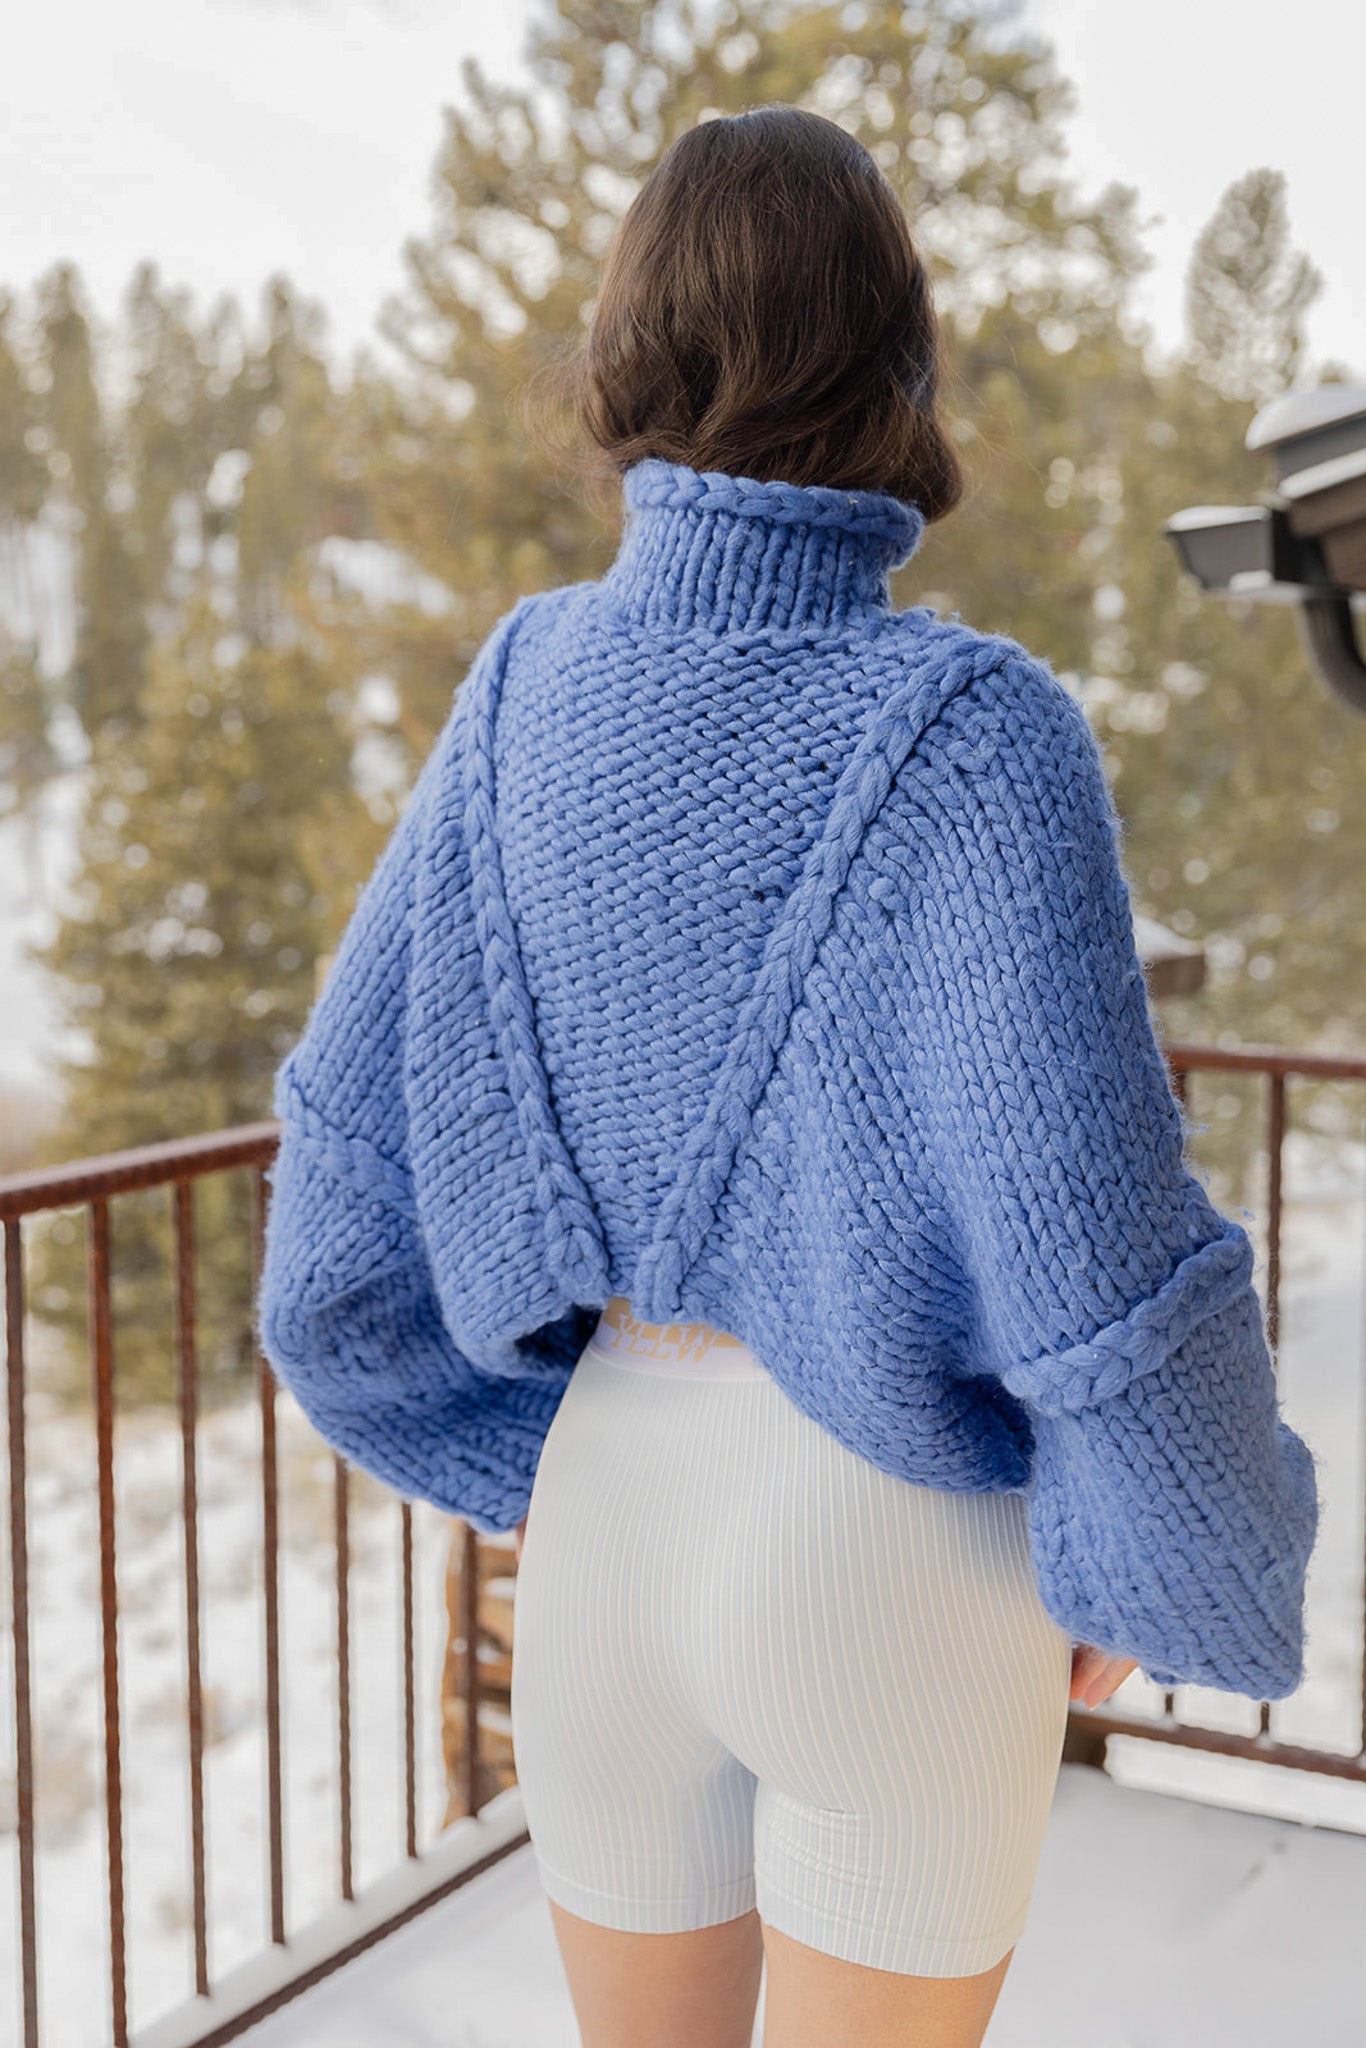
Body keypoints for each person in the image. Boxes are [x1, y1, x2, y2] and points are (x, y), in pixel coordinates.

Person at [258, 104, 1320, 2048]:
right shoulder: (976, 729)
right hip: (892, 1555)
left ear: (627, 344)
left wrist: (542, 1457)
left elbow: (338, 1189)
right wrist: (1142, 1546)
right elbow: (1095, 1242)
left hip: (602, 1529)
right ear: (893, 363)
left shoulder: (517, 692)